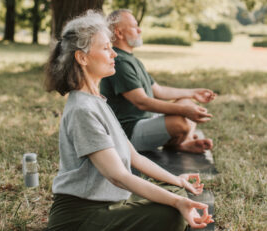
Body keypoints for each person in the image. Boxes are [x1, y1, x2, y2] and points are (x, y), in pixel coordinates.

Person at [45, 10, 213, 231]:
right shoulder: (82, 110)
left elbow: (133, 156)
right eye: (106, 48)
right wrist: (176, 202)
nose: (113, 54)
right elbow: (119, 176)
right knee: (173, 213)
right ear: (82, 57)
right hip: (80, 217)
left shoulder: (97, 101)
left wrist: (176, 180)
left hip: (111, 203)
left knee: (178, 191)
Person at [100, 9, 217, 153]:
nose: (139, 29)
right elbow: (141, 102)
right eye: (134, 26)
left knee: (187, 102)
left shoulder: (132, 60)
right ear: (119, 33)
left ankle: (182, 143)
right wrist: (184, 111)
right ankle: (181, 142)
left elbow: (159, 91)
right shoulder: (119, 62)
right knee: (181, 122)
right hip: (128, 133)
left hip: (146, 121)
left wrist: (193, 93)